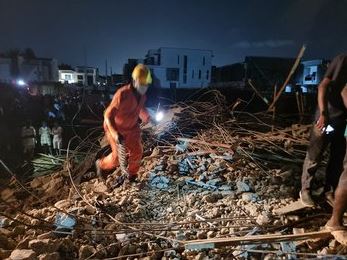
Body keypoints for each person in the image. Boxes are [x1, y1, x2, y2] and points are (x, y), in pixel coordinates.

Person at [300, 54, 347, 207]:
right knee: (316, 154)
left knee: (337, 159)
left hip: (342, 122)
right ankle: (305, 190)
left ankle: (329, 191)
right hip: (328, 119)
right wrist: (324, 113)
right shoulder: (342, 60)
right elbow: (323, 86)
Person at [95, 64, 151, 184]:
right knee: (116, 158)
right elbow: (108, 115)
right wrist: (115, 134)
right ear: (134, 80)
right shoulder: (122, 94)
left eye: (146, 83)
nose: (144, 86)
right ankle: (100, 164)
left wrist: (147, 117)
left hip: (132, 128)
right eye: (142, 83)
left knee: (137, 151)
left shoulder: (142, 96)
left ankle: (131, 176)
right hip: (116, 127)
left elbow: (139, 108)